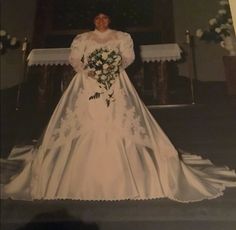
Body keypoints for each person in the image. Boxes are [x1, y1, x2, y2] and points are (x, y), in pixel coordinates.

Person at [2, 11, 236, 202]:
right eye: (97, 18)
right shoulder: (82, 39)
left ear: (109, 20)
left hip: (115, 81)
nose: (101, 22)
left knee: (119, 116)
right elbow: (74, 59)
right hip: (88, 82)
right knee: (85, 118)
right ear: (93, 21)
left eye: (104, 18)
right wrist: (88, 70)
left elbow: (128, 57)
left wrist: (114, 66)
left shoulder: (121, 37)